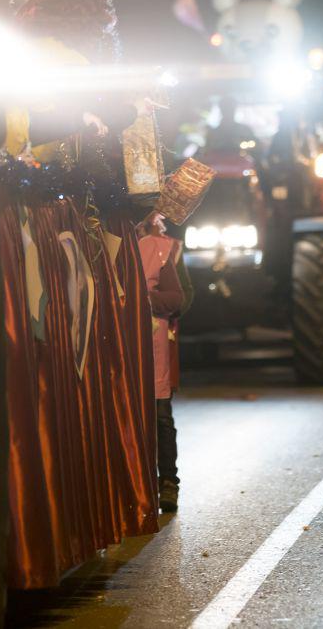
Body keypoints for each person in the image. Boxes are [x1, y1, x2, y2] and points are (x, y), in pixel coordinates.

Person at [138, 214, 185, 513]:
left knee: (160, 417)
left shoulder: (160, 248)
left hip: (154, 347)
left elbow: (177, 298)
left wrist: (143, 300)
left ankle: (168, 482)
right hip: (120, 346)